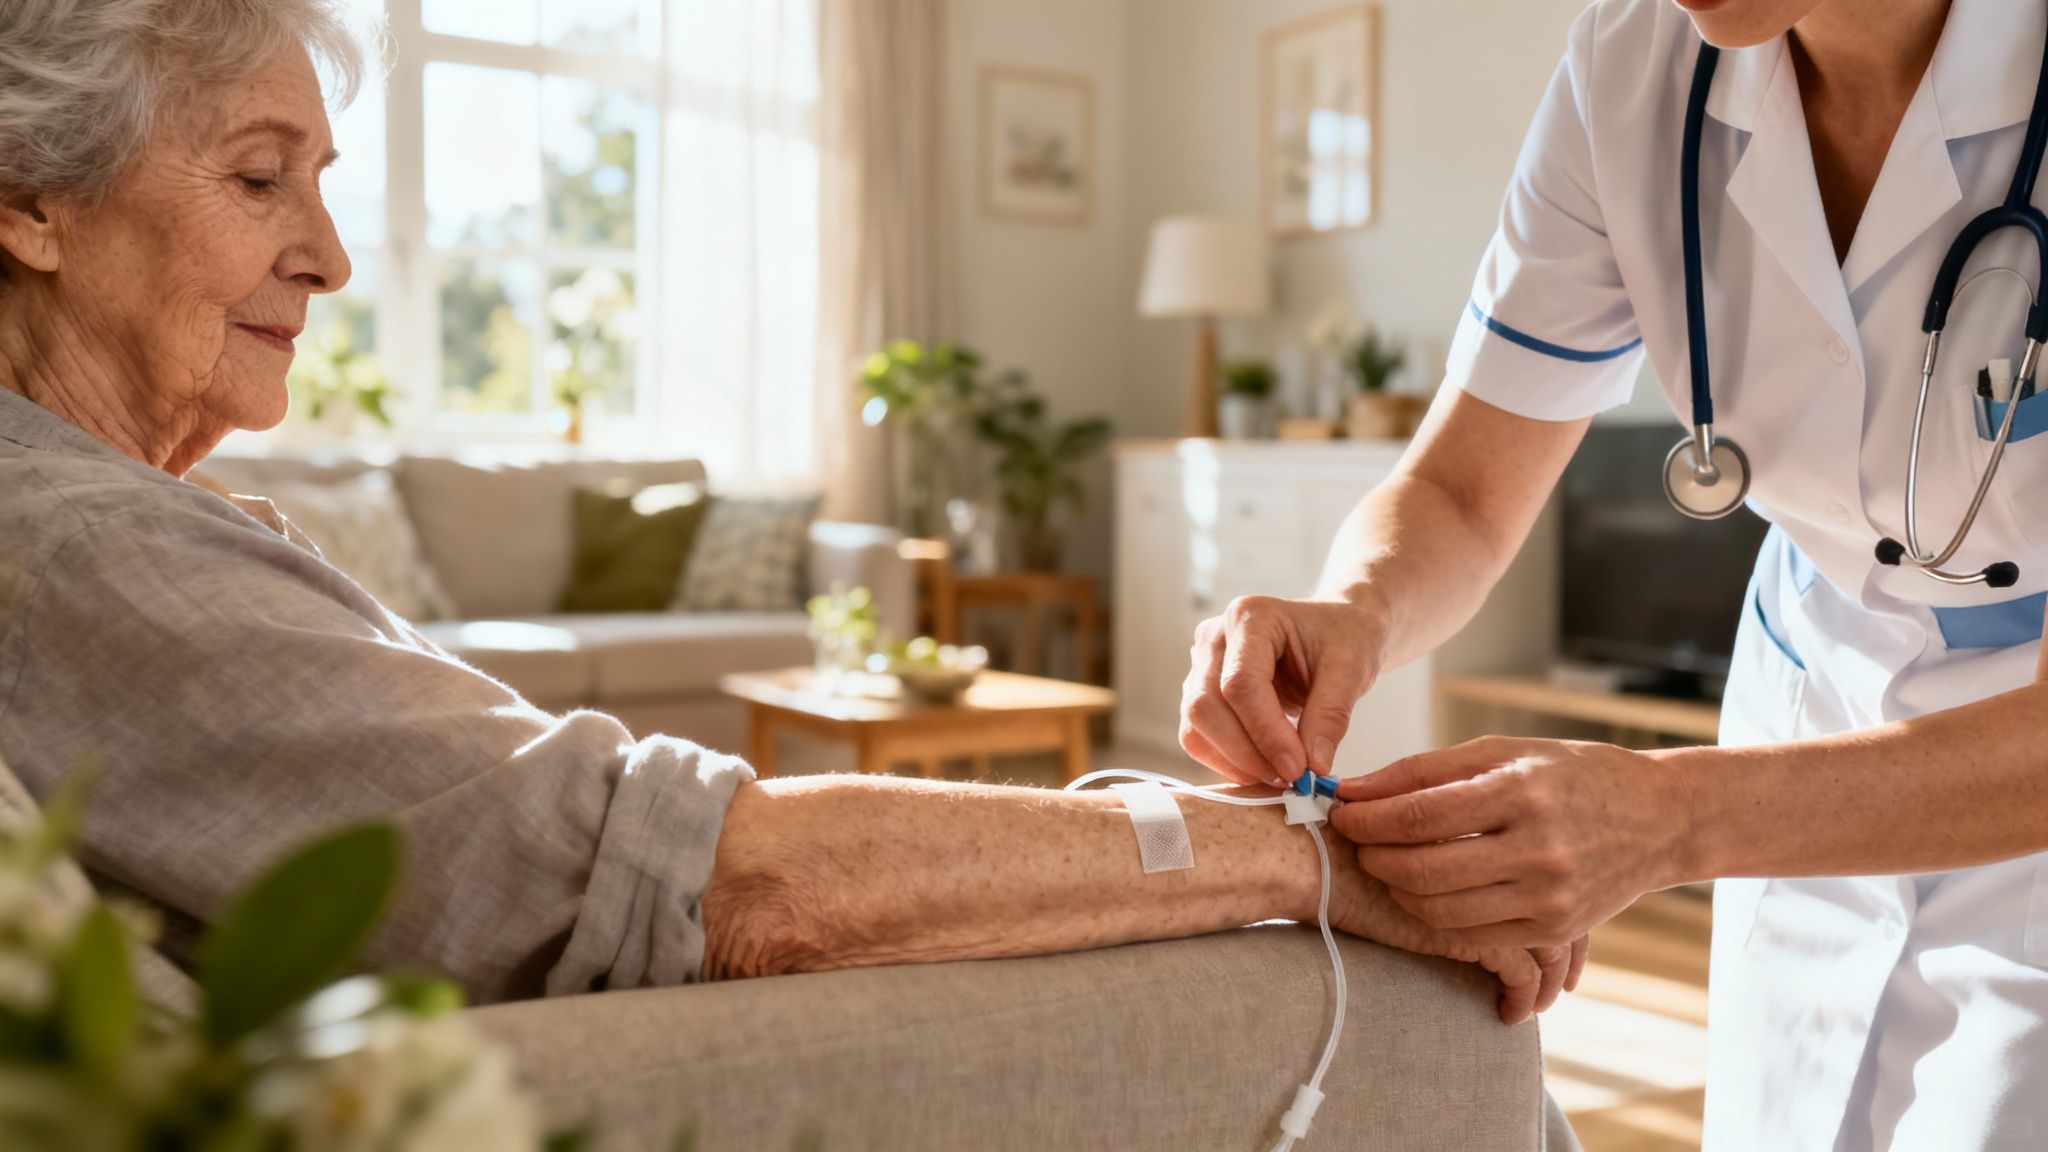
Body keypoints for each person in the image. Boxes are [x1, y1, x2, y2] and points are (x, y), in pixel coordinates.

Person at [0, 0, 1574, 1029]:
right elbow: (712, 880)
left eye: (322, 181)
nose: (334, 257)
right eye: (261, 178)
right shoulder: (77, 549)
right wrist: (1305, 865)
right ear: (29, 203)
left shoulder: (119, 519)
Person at [1181, 0, 2048, 1146]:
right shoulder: (1633, 63)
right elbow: (1460, 490)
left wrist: (1671, 819)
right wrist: (1356, 604)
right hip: (1810, 681)